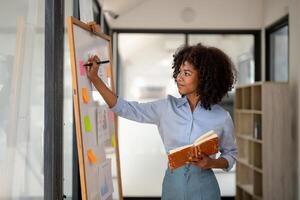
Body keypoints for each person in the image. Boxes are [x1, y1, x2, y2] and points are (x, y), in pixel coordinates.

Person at [86, 43, 237, 200]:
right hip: (173, 188)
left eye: (186, 73)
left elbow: (231, 154)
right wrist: (95, 79)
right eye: (179, 72)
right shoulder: (166, 108)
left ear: (205, 77)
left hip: (205, 191)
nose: (179, 78)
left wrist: (211, 163)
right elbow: (124, 108)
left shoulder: (222, 117)